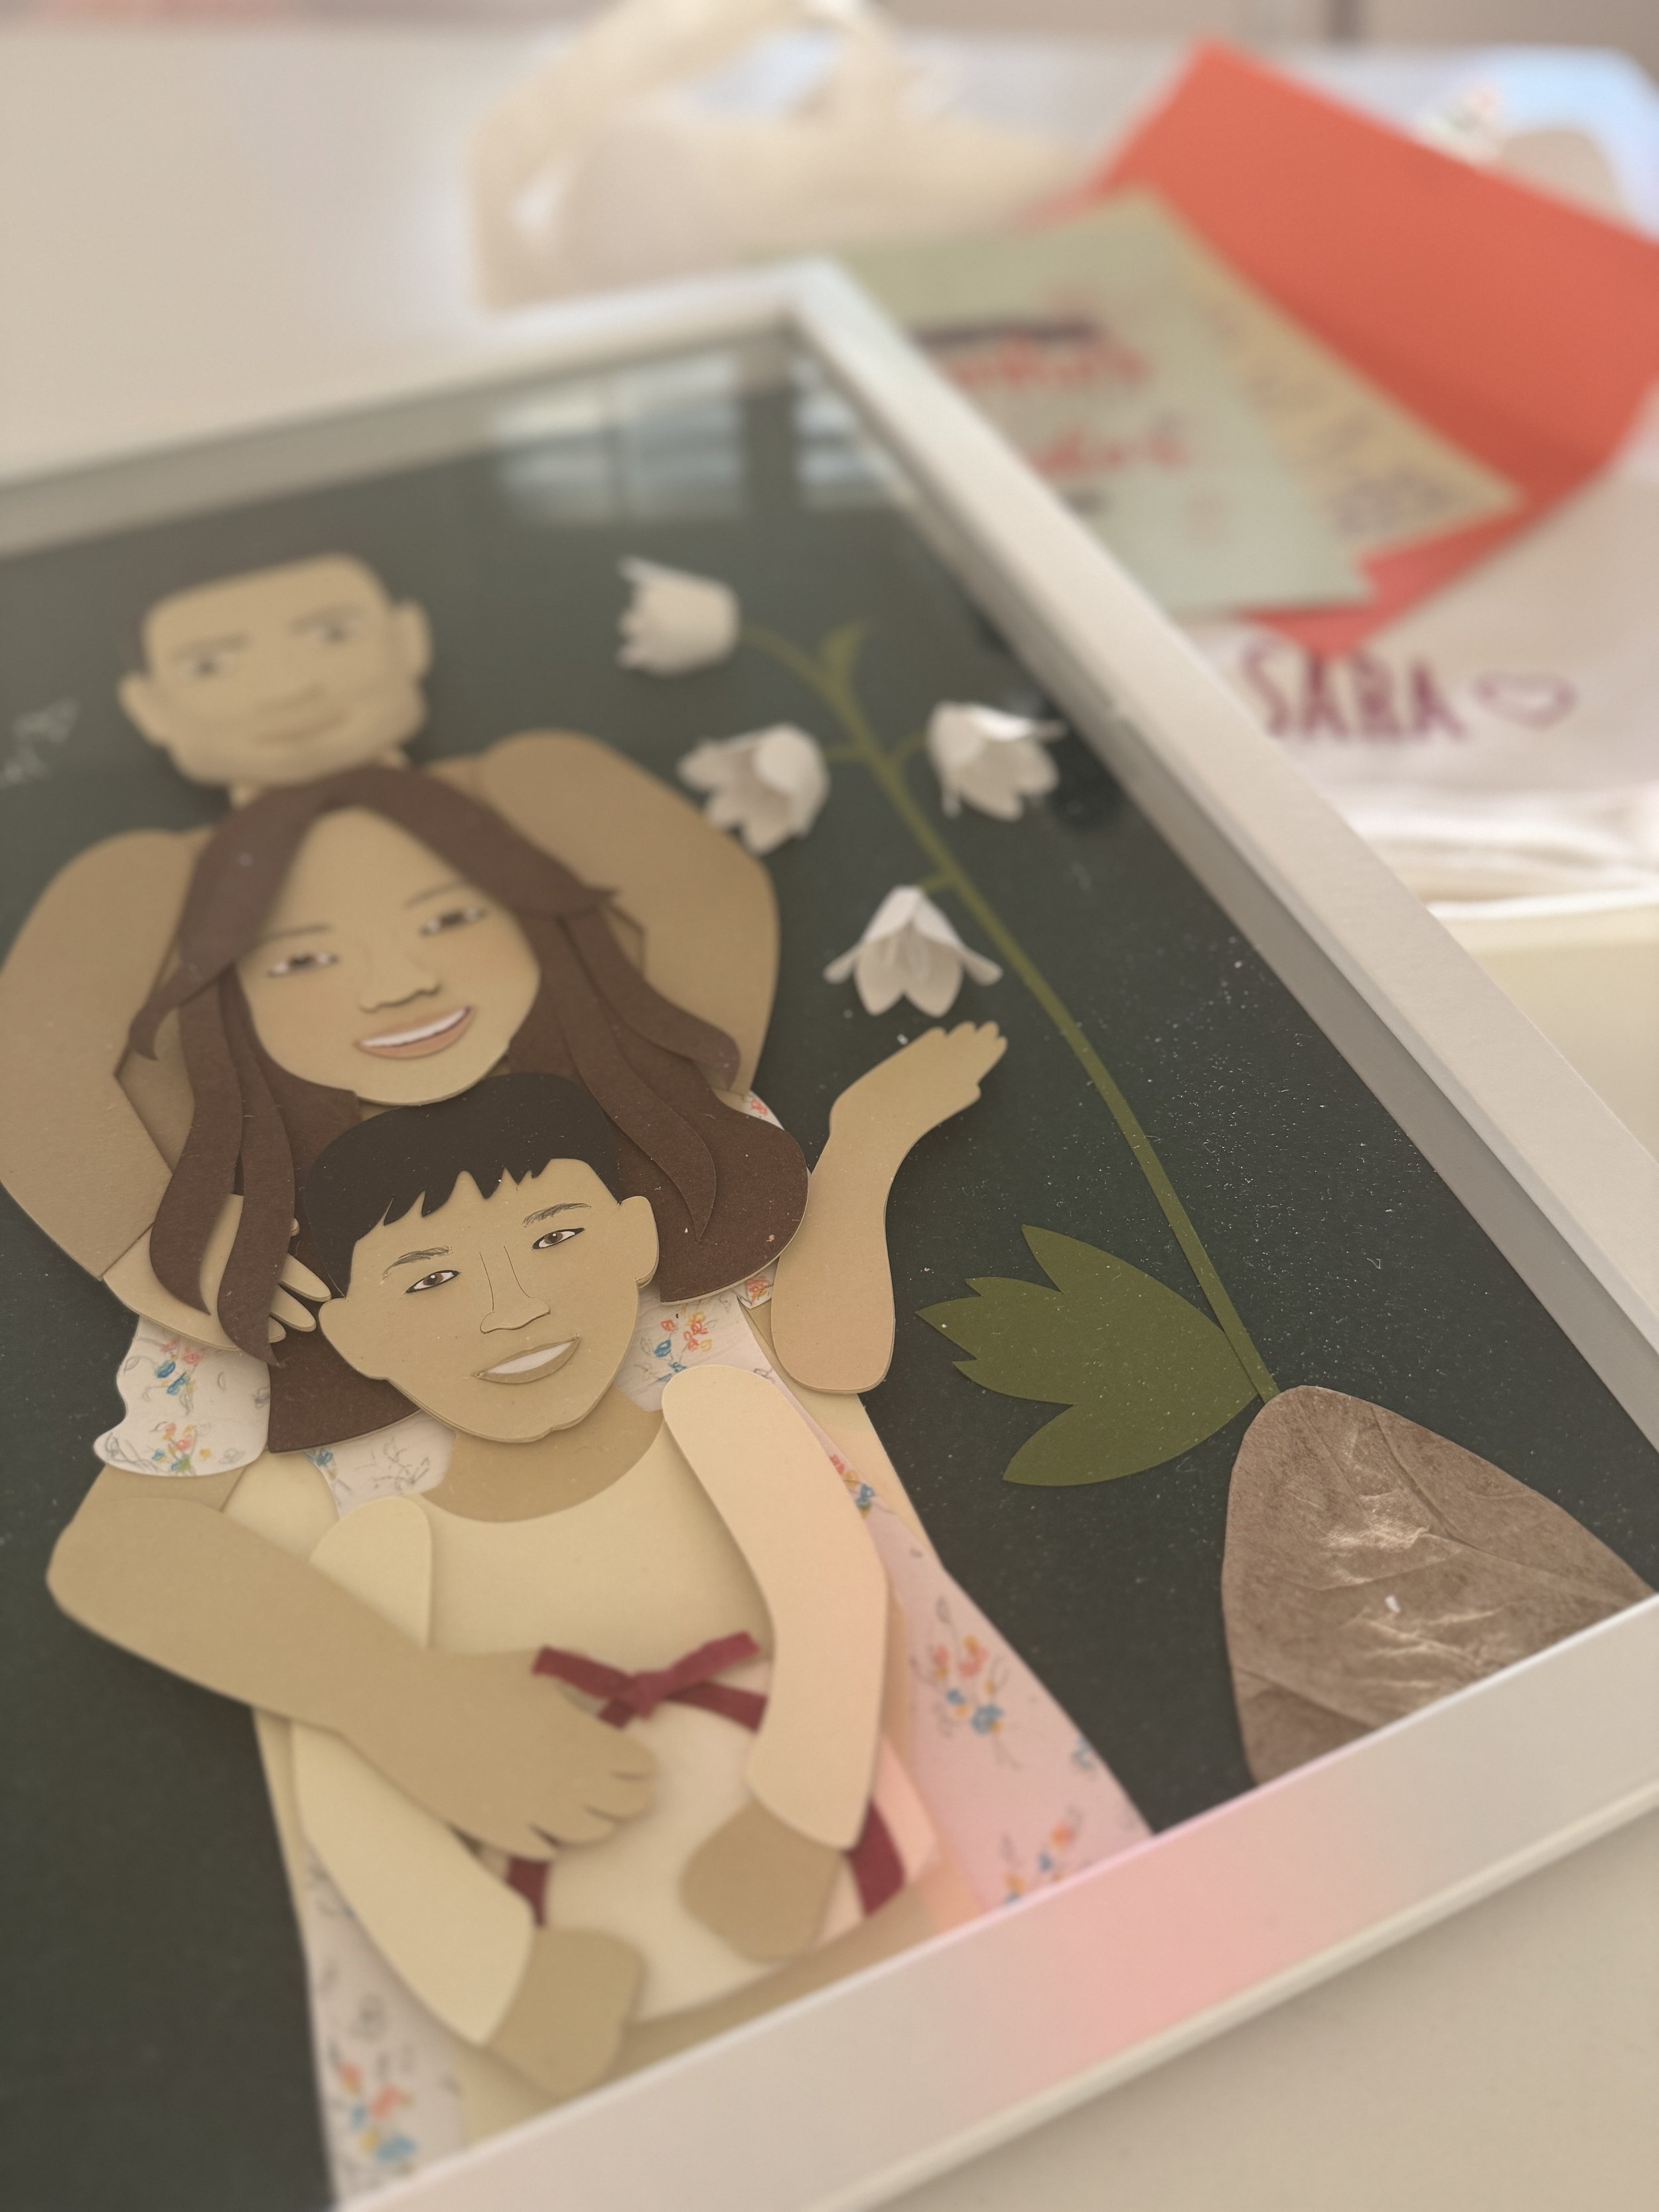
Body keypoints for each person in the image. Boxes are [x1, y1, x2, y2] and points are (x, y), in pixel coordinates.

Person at [46, 768, 1005, 1876]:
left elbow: (832, 1356)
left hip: (850, 1688)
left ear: (540, 918)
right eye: (303, 959)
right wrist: (400, 1700)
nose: (401, 982)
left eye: (452, 917)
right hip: (506, 1804)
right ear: (230, 1005)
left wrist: (866, 1146)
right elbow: (119, 1554)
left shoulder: (663, 1131)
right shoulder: (258, 1265)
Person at [240, 1074, 942, 2120]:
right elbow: (352, 1798)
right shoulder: (380, 1550)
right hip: (581, 1971)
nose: (513, 1304)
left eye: (555, 1237)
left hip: (838, 1886)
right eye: (432, 1281)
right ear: (353, 1334)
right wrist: (502, 1982)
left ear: (634, 1238)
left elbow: (837, 1606)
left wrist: (803, 1821)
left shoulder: (724, 1417)